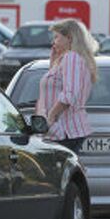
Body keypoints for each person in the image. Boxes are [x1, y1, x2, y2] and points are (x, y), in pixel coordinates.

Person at [36, 18, 98, 154]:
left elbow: (69, 95)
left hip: (65, 130)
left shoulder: (72, 58)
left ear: (69, 38)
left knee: (59, 172)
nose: (53, 42)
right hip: (62, 130)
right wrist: (52, 64)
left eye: (57, 37)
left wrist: (50, 117)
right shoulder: (67, 59)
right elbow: (54, 89)